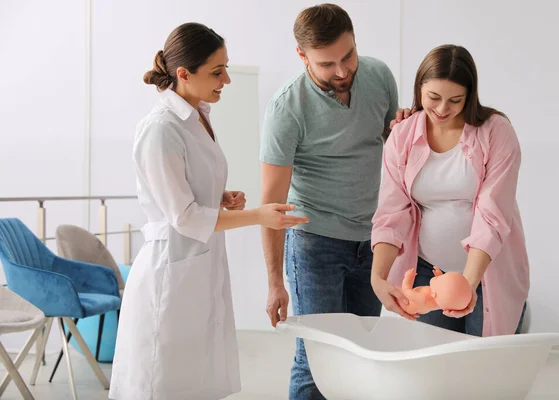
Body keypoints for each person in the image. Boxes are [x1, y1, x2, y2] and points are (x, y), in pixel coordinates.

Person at [109, 22, 308, 400]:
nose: (227, 80)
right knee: (162, 381)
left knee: (195, 378)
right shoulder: (160, 129)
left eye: (226, 68)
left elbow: (185, 194)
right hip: (171, 270)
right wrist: (259, 216)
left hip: (198, 263)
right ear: (184, 74)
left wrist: (218, 198)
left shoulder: (197, 114)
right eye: (218, 72)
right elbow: (182, 216)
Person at [259, 4, 412, 399]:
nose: (342, 71)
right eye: (327, 64)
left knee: (361, 355)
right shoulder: (286, 109)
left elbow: (389, 144)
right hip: (315, 242)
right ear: (302, 56)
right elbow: (272, 206)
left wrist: (403, 129)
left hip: (373, 241)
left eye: (348, 56)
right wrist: (276, 282)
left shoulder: (378, 76)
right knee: (315, 360)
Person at [370, 44, 529, 338]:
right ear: (419, 89)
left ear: (470, 95)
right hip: (429, 271)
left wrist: (468, 283)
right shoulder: (402, 135)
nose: (443, 109)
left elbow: (493, 213)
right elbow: (392, 213)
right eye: (433, 98)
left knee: (485, 368)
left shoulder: (496, 131)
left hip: (487, 274)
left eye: (455, 100)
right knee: (436, 366)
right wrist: (377, 277)